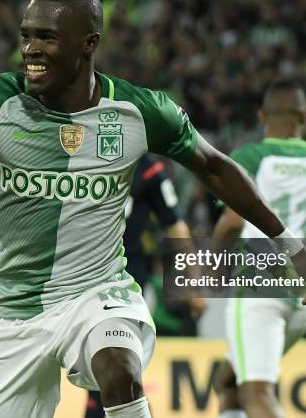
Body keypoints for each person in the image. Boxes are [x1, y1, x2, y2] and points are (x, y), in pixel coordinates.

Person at [0, 0, 306, 418]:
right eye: (26, 36)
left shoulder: (139, 111)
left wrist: (293, 248)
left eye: (46, 37)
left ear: (88, 44)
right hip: (11, 314)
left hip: (96, 294)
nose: (30, 50)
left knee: (119, 370)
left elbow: (214, 167)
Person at [211, 79, 306, 418]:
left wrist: (215, 271)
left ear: (262, 116)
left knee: (257, 394)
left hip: (257, 289)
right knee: (228, 382)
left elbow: (232, 223)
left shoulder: (250, 157)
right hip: (304, 298)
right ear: (304, 117)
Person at [84, 154, 206, 418]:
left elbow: (176, 226)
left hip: (123, 283)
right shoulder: (78, 153)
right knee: (104, 378)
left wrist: (195, 283)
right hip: (75, 280)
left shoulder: (146, 167)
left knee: (114, 373)